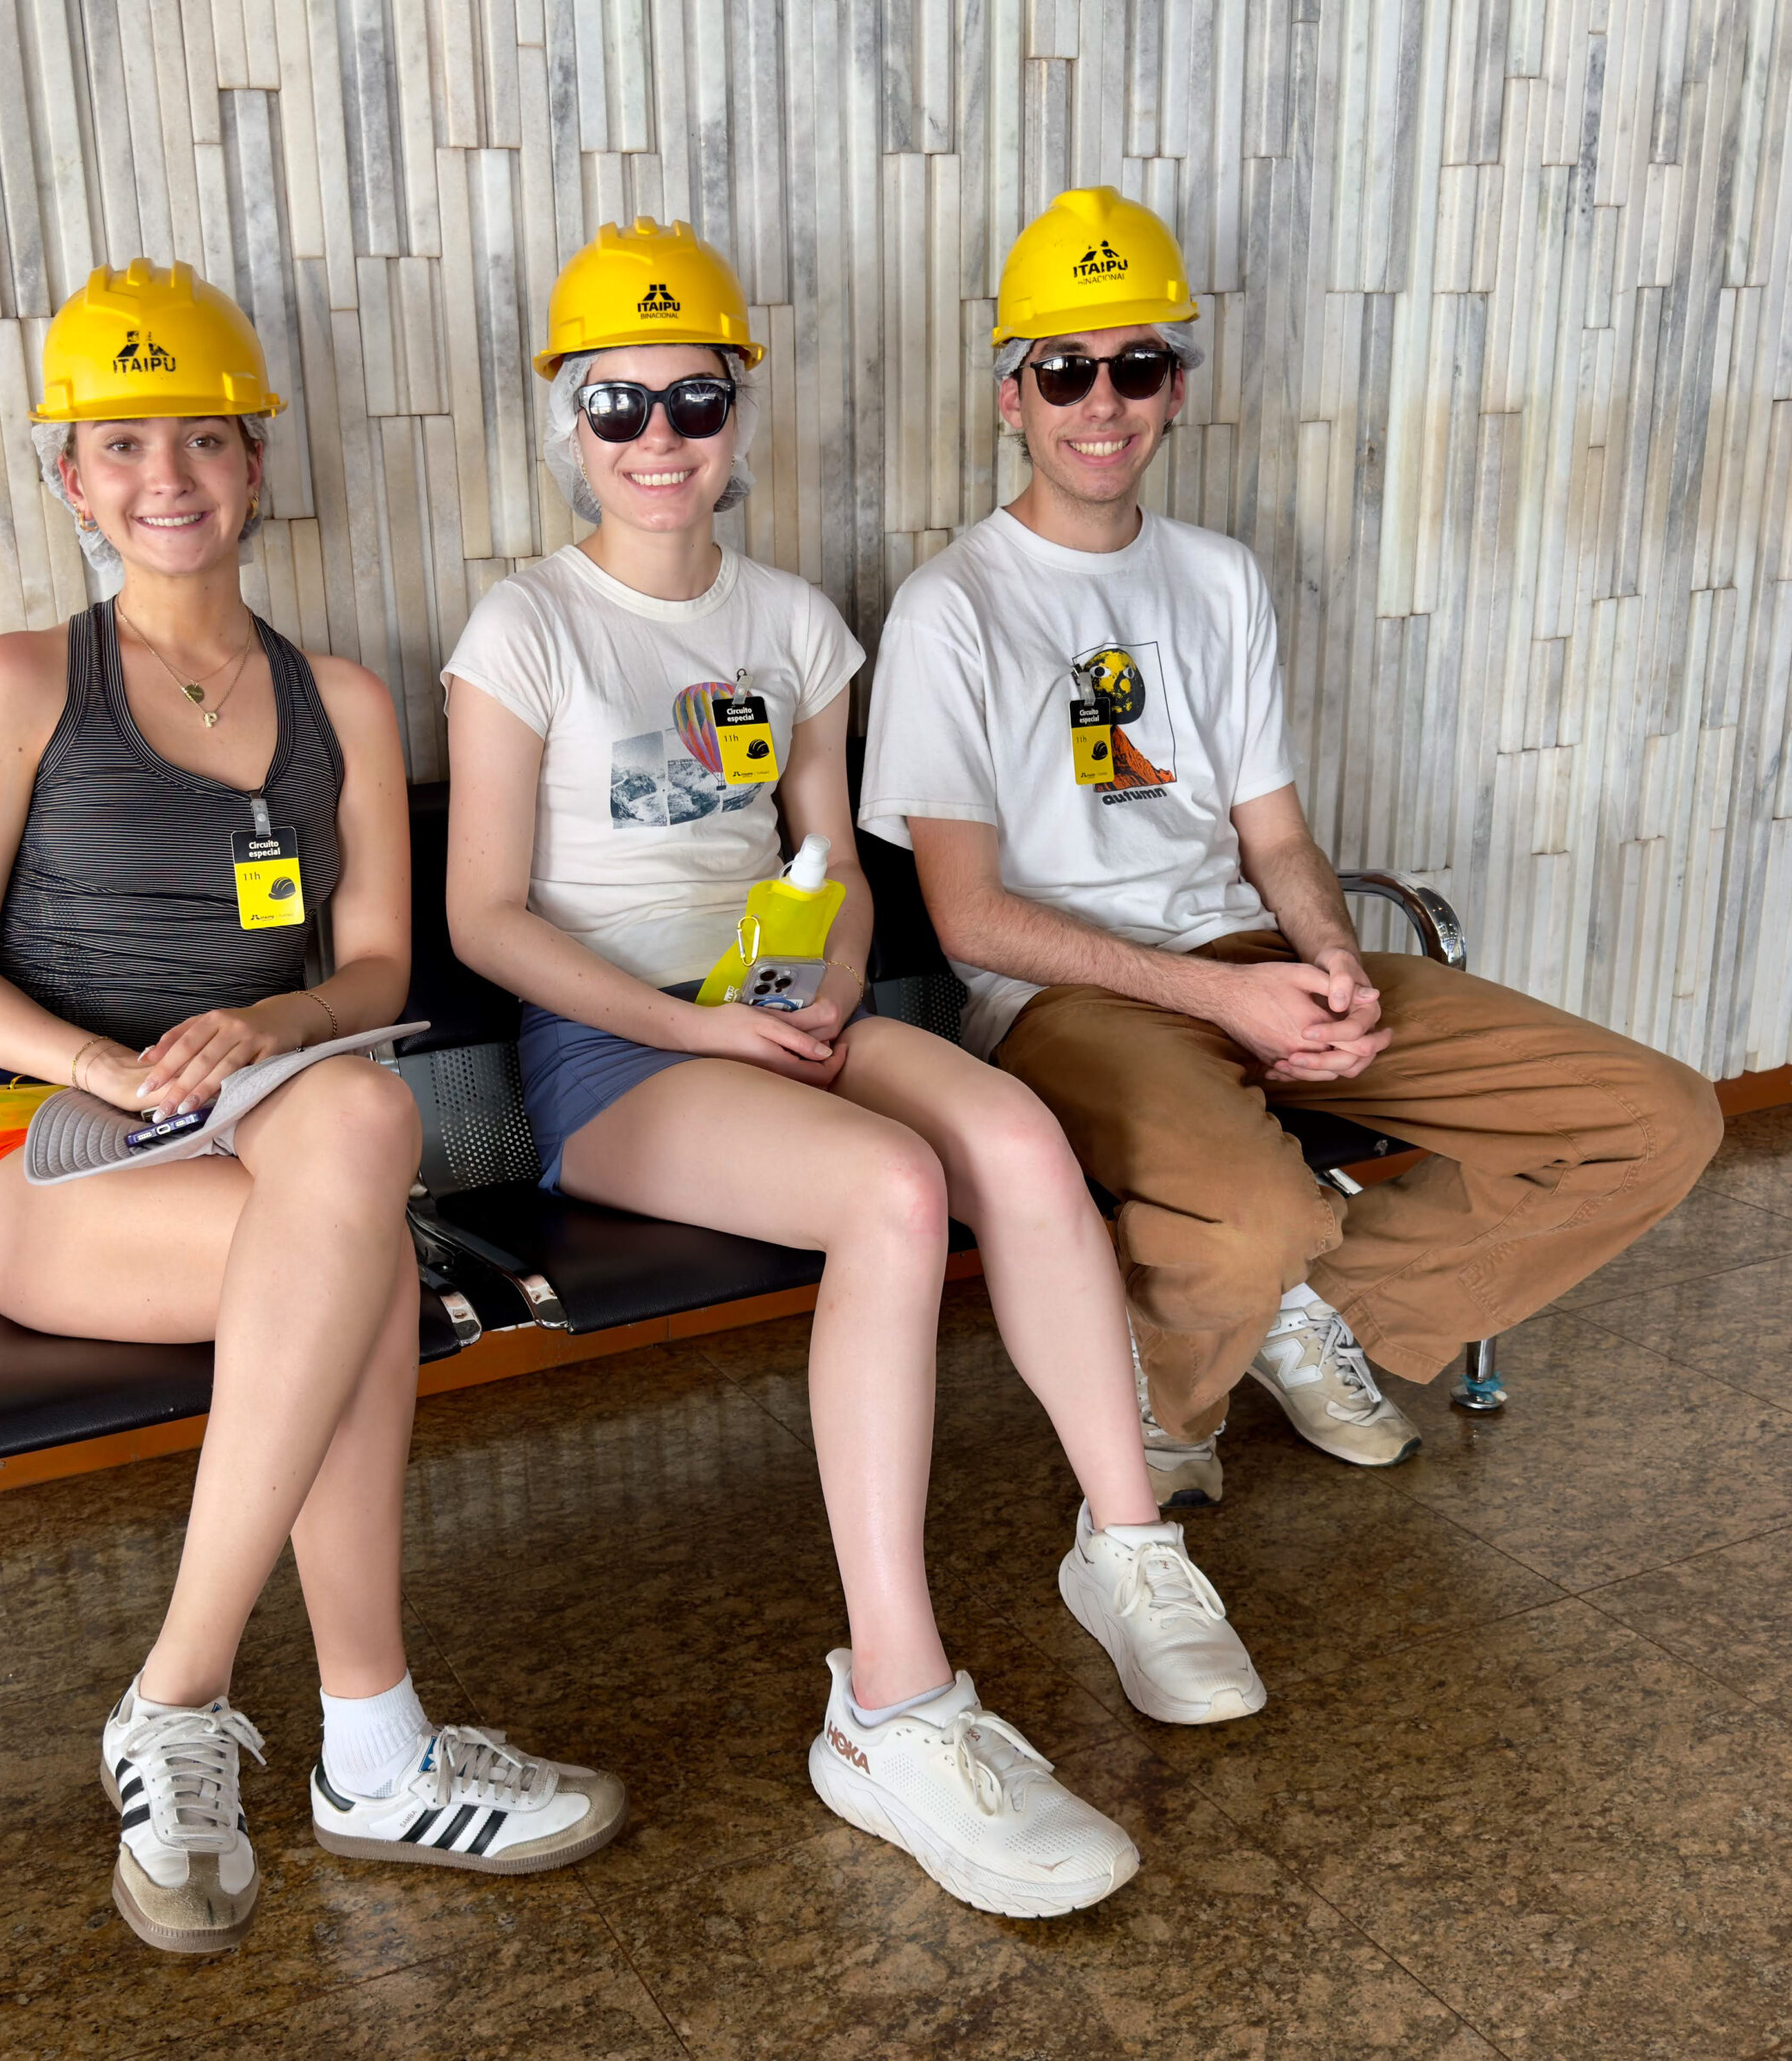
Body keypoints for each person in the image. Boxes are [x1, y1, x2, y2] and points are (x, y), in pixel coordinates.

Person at [443, 218, 1265, 1922]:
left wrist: (815, 983)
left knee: (1015, 1140)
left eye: (692, 402)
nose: (658, 439)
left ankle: (1128, 1543)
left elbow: (826, 863)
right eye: (618, 406)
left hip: (775, 1008)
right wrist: (699, 1024)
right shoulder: (524, 626)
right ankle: (890, 1706)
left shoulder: (794, 623)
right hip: (617, 1046)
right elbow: (484, 918)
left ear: (735, 416)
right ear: (569, 424)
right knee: (894, 1190)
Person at [0, 260, 623, 1956]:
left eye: (203, 439)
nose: (168, 477)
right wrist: (108, 1067)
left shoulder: (340, 700)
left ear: (256, 464)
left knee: (357, 1123)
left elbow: (373, 968)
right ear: (71, 480)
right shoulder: (23, 682)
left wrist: (262, 1025)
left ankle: (196, 1704)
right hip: (43, 1152)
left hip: (257, 1114)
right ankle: (343, 1738)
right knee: (353, 1250)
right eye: (123, 444)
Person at [862, 187, 1724, 1508]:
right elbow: (971, 917)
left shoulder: (1219, 578)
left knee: (1658, 1119)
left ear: (1176, 390)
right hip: (1067, 1002)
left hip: (1256, 956)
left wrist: (1333, 963)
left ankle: (1300, 1306)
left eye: (1137, 365)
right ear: (1011, 400)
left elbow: (1277, 834)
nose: (1103, 401)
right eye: (1066, 370)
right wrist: (1227, 999)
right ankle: (1183, 1385)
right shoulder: (950, 606)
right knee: (1256, 1211)